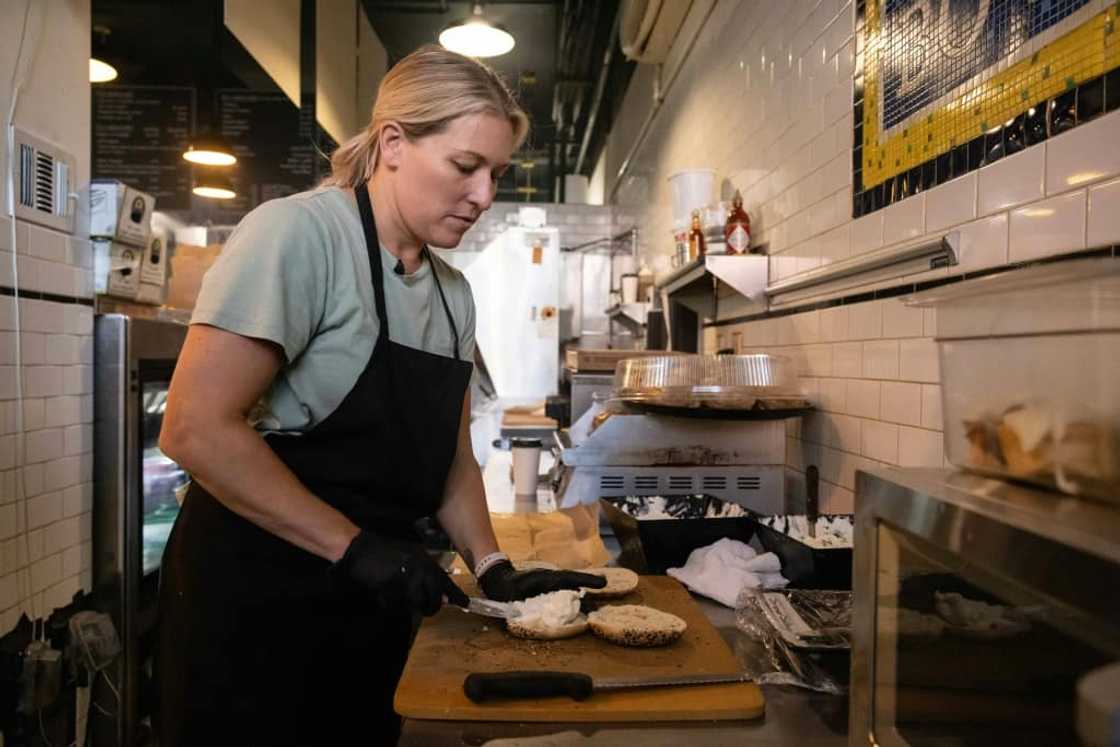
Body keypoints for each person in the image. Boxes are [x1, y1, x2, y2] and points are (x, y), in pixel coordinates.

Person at [156, 45, 604, 746]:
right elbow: (195, 428)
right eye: (465, 167)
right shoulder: (299, 236)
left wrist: (493, 567)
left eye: (497, 174)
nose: (485, 196)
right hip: (255, 605)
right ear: (393, 143)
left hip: (373, 606)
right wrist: (355, 546)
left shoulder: (454, 296)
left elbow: (449, 459)